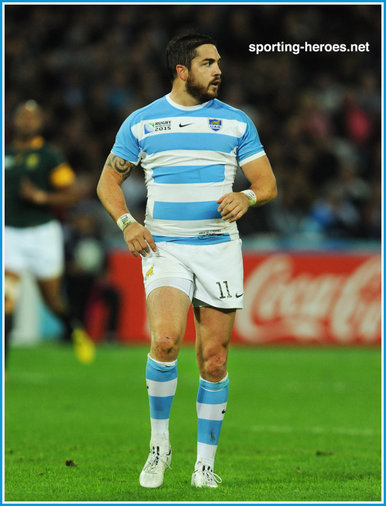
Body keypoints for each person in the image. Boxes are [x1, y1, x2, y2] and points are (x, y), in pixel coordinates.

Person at [97, 33, 277, 489]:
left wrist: (247, 195)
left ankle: (204, 465)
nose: (219, 70)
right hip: (166, 248)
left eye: (219, 62)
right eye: (208, 63)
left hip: (218, 247)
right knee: (164, 341)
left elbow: (267, 182)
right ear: (182, 70)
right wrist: (127, 223)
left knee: (213, 361)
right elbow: (107, 185)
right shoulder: (142, 122)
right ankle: (159, 447)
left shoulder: (236, 123)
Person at [4, 100, 95, 367]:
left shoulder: (49, 156)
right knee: (6, 301)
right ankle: (4, 368)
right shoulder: (5, 154)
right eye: (22, 116)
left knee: (53, 300)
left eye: (32, 117)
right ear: (14, 121)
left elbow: (73, 194)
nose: (26, 121)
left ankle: (75, 330)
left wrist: (41, 196)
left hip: (42, 234)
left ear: (40, 123)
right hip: (9, 235)